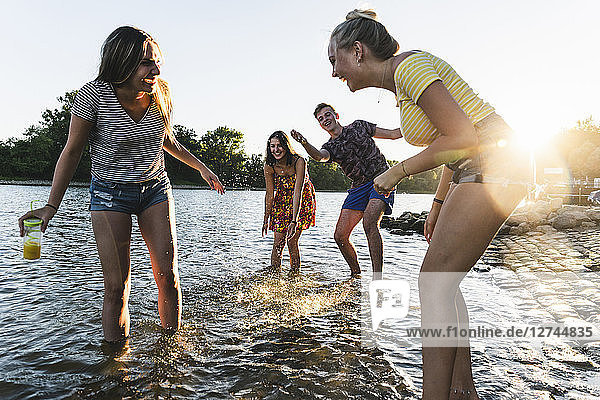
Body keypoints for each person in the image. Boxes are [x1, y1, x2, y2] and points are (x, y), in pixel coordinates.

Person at [326, 9, 531, 400]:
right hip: (476, 166)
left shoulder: (410, 67)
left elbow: (463, 137)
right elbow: (449, 145)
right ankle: (461, 390)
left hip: (497, 161)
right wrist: (438, 203)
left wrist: (395, 173)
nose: (334, 72)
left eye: (334, 59)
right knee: (445, 282)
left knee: (432, 283)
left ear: (357, 51)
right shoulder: (401, 84)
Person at [18, 26, 224, 343]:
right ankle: (115, 369)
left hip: (155, 189)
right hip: (109, 194)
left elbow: (167, 140)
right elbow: (72, 151)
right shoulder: (93, 95)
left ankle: (170, 351)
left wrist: (202, 168)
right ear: (121, 62)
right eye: (145, 63)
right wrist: (50, 206)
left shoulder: (161, 95)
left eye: (157, 63)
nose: (155, 70)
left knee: (167, 277)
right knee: (117, 287)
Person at [290, 103, 402, 277]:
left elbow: (393, 134)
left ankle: (377, 278)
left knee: (369, 223)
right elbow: (320, 156)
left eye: (327, 115)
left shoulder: (359, 126)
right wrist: (304, 142)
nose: (325, 119)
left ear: (336, 115)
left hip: (381, 178)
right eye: (321, 119)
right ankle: (355, 275)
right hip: (358, 187)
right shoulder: (331, 147)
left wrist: (420, 127)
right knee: (340, 236)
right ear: (320, 125)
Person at [262, 131, 316, 274]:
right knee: (278, 243)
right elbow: (269, 194)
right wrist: (265, 218)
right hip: (281, 199)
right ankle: (274, 277)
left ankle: (294, 276)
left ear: (286, 146)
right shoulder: (269, 165)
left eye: (279, 146)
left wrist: (294, 220)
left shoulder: (299, 161)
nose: (276, 150)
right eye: (272, 146)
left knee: (291, 241)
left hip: (302, 199)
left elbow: (298, 191)